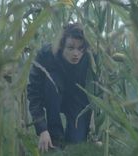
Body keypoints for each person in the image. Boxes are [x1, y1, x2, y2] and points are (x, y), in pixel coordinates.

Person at [27, 22, 93, 152]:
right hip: (53, 95)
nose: (76, 54)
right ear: (61, 46)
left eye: (80, 49)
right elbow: (34, 93)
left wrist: (92, 121)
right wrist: (42, 129)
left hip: (77, 101)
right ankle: (54, 136)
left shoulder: (90, 57)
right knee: (53, 80)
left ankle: (73, 136)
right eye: (70, 48)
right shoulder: (46, 55)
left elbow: (97, 91)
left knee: (76, 143)